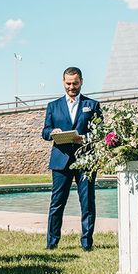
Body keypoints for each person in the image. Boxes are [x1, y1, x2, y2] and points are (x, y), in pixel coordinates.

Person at [42, 67, 102, 251]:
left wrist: (84, 139)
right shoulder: (53, 106)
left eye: (75, 83)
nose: (71, 87)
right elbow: (44, 131)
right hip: (61, 160)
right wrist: (52, 133)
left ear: (81, 82)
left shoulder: (92, 105)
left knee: (87, 203)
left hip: (86, 161)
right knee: (57, 203)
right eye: (68, 83)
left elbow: (100, 133)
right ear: (63, 83)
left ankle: (86, 243)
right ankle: (52, 243)